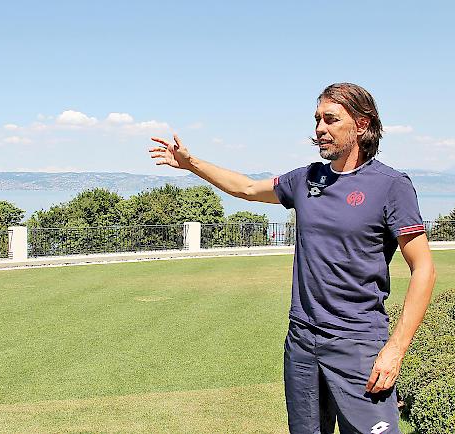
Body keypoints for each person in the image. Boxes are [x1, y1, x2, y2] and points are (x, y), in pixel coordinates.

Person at [148, 82, 436, 433]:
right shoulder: (306, 179)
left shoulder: (392, 185)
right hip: (302, 343)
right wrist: (190, 162)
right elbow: (247, 188)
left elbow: (423, 269)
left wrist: (396, 349)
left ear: (362, 124)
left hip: (358, 344)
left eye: (330, 119)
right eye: (317, 120)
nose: (319, 129)